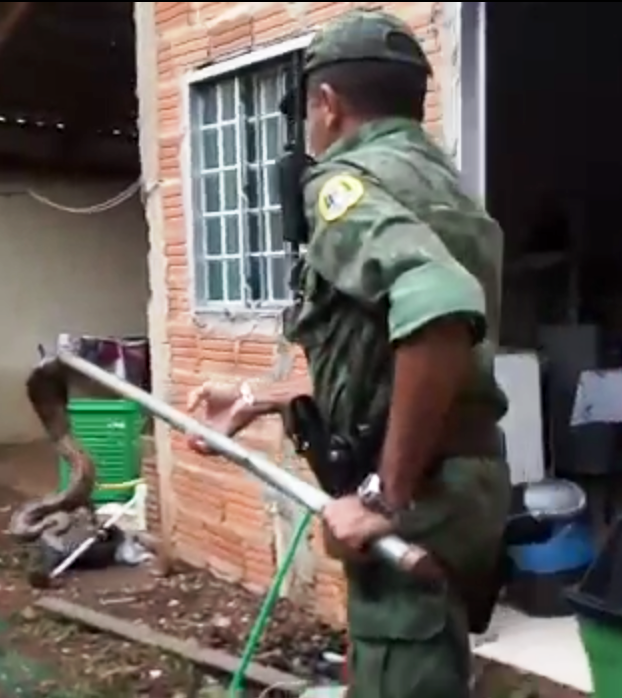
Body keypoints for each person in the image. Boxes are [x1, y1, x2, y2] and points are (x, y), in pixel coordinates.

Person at [186, 10, 510, 698]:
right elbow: (380, 351)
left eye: (308, 109)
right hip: (464, 477)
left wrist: (383, 495)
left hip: (419, 486)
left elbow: (439, 302)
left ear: (328, 106)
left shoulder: (346, 185)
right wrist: (256, 397)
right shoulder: (443, 185)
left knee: (403, 669)